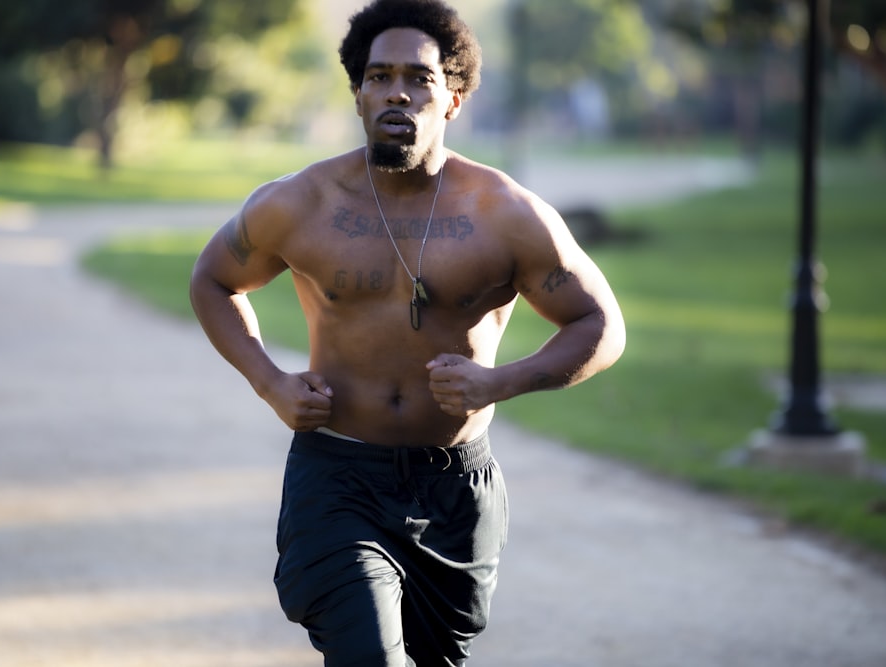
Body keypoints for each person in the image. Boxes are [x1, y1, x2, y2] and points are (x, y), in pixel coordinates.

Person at [190, 0, 625, 664]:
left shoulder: (505, 214)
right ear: (359, 95)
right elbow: (213, 280)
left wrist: (498, 382)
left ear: (452, 99)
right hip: (337, 475)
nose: (397, 90)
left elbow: (600, 323)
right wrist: (270, 381)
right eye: (379, 75)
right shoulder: (300, 204)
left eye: (418, 77)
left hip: (457, 486)